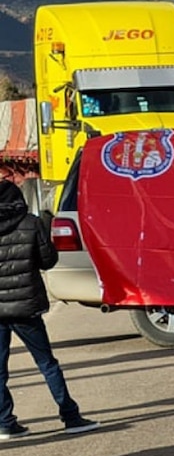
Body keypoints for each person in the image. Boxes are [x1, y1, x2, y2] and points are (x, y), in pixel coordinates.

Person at [0, 178, 99, 440]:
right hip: (26, 308)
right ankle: (71, 416)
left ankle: (5, 423)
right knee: (47, 363)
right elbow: (48, 261)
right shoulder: (31, 224)